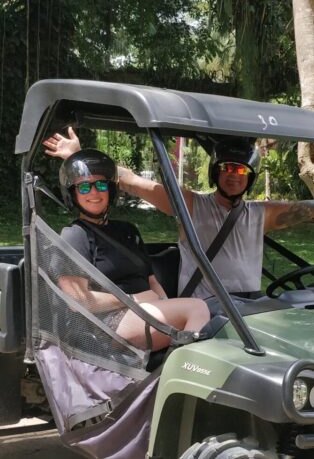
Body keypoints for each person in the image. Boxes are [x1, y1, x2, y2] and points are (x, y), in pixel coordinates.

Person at [43, 128, 314, 301]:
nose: (232, 177)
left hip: (251, 302)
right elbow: (132, 182)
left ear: (249, 177)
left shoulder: (260, 213)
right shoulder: (190, 204)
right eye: (226, 170)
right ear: (215, 173)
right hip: (209, 306)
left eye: (240, 172)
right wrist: (81, 157)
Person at [55, 149, 209, 351]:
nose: (94, 192)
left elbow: (151, 281)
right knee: (197, 307)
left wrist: (164, 303)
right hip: (105, 324)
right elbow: (77, 302)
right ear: (73, 193)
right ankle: (183, 367)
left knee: (217, 317)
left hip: (143, 313)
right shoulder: (75, 235)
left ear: (110, 189)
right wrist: (131, 300)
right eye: (84, 187)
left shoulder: (128, 231)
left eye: (101, 184)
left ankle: (179, 359)